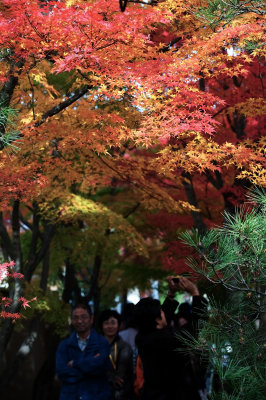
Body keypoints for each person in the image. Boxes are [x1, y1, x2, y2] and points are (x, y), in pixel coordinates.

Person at [133, 276, 208, 400]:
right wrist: (195, 293)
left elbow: (161, 319)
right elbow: (196, 325)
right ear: (157, 319)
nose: (163, 312)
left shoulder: (143, 336)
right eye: (160, 311)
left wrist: (171, 294)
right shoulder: (166, 340)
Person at [56, 303, 111, 400]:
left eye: (84, 317)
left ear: (91, 319)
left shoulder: (102, 342)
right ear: (72, 320)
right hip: (71, 396)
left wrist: (74, 364)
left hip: (97, 395)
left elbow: (101, 368)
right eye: (75, 318)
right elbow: (62, 372)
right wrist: (89, 370)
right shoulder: (64, 345)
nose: (80, 321)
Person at [99, 309, 134, 400]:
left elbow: (131, 373)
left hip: (122, 393)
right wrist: (110, 377)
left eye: (113, 323)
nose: (110, 326)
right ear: (101, 326)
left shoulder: (126, 347)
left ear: (119, 325)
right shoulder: (95, 347)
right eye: (106, 323)